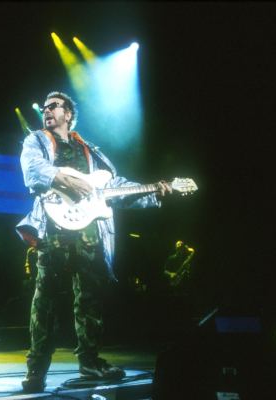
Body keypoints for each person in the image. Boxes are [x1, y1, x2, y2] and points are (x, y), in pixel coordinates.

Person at [15, 91, 173, 393]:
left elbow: (114, 187)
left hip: (89, 235)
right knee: (45, 299)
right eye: (45, 107)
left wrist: (153, 191)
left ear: (69, 114)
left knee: (89, 300)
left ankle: (89, 362)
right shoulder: (36, 140)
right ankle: (36, 369)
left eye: (54, 106)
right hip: (53, 229)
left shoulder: (91, 150)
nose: (47, 111)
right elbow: (32, 170)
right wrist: (62, 179)